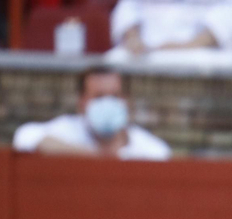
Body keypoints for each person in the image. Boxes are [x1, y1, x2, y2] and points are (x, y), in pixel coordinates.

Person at [12, 66, 171, 159]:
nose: (108, 103)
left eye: (115, 96)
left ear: (126, 101)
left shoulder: (149, 149)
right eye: (99, 97)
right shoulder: (68, 129)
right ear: (82, 102)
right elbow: (25, 136)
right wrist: (91, 156)